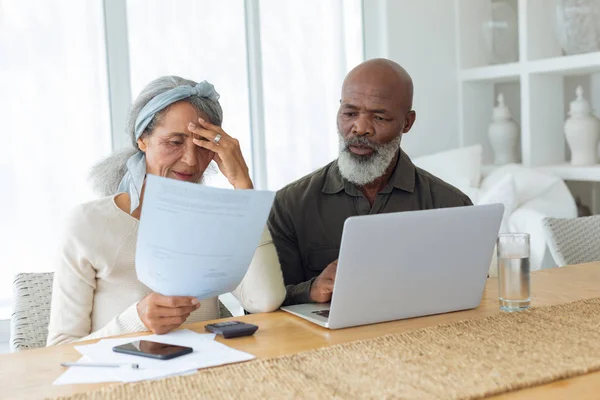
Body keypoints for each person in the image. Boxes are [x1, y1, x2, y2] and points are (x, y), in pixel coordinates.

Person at [47, 76, 286, 346]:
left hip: (207, 378)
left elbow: (265, 300)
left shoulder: (216, 218)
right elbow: (59, 351)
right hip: (123, 383)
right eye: (175, 142)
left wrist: (243, 187)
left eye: (203, 144)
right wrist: (136, 320)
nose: (191, 160)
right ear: (142, 140)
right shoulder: (88, 224)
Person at [268, 59, 473, 306]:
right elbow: (259, 307)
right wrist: (310, 290)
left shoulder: (452, 206)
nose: (360, 128)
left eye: (379, 117)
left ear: (407, 123)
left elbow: (472, 294)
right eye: (350, 113)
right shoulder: (289, 205)